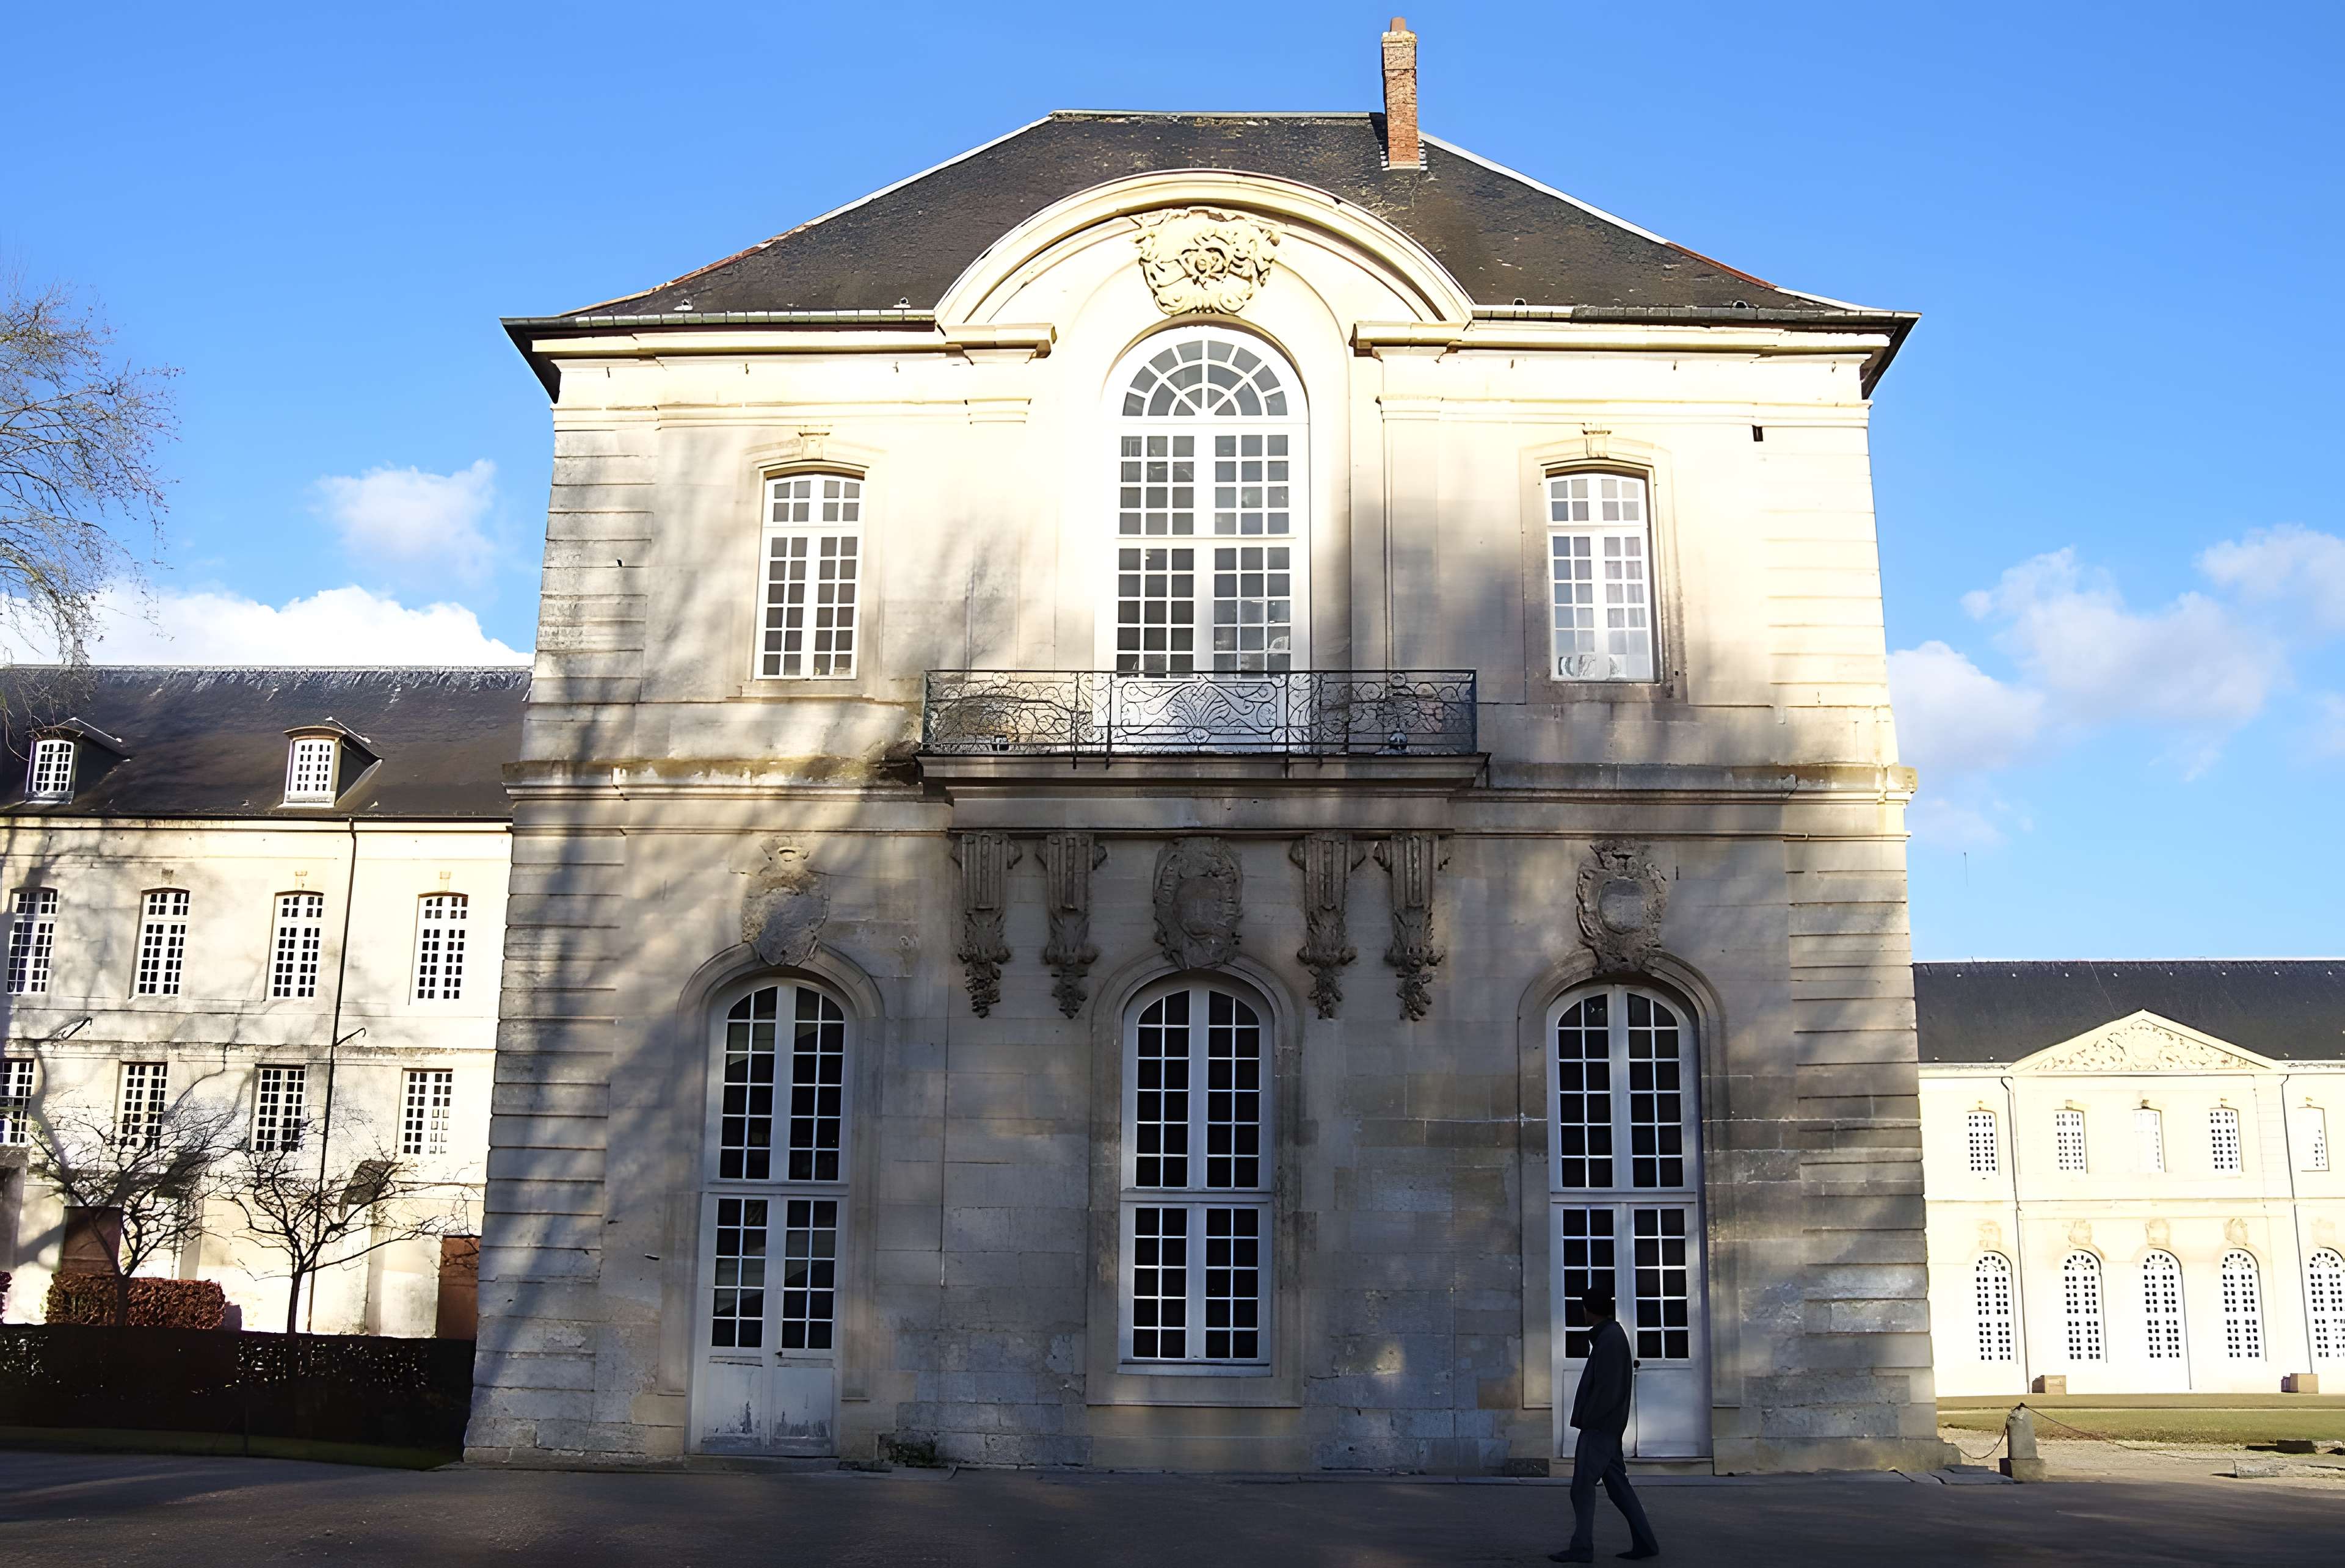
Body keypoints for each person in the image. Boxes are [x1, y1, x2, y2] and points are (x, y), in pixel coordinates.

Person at [1550, 1287, 1660, 1563]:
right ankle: (1646, 1543)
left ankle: (1582, 1548)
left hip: (1600, 1428)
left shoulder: (1610, 1338)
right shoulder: (1610, 1335)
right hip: (1606, 1426)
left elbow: (1608, 1390)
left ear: (1588, 1309)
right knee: (1618, 1487)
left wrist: (1591, 1421)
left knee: (1582, 1487)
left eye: (1584, 1308)